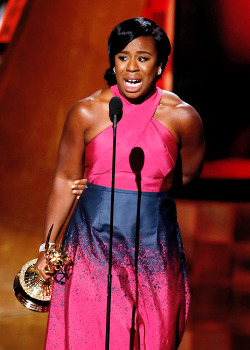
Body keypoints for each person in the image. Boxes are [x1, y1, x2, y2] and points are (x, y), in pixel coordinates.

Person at [36, 17, 205, 350]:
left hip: (154, 250)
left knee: (153, 337)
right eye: (122, 57)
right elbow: (65, 178)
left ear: (159, 66)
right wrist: (48, 247)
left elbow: (187, 174)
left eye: (143, 58)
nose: (131, 67)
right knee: (91, 336)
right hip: (90, 248)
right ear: (112, 62)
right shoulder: (86, 113)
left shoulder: (184, 117)